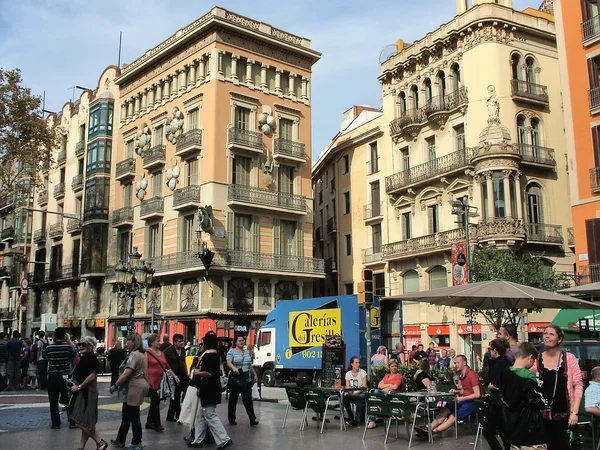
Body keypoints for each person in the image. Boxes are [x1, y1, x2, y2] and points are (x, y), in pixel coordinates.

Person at [532, 324, 583, 450]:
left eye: (551, 334)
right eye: (545, 333)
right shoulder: (536, 360)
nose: (547, 336)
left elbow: (578, 385)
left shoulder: (569, 359)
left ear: (559, 339)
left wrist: (574, 413)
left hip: (565, 416)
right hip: (543, 417)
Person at [187, 333, 233, 449]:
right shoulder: (215, 355)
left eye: (203, 343)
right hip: (212, 389)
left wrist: (196, 373)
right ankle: (198, 440)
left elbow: (208, 374)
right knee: (201, 415)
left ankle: (224, 439)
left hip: (208, 390)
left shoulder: (207, 356)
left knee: (210, 415)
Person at [418, 355, 482, 436]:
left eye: (458, 363)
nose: (456, 365)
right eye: (455, 363)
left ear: (464, 363)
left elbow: (477, 394)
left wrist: (462, 398)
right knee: (445, 409)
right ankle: (429, 428)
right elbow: (467, 390)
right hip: (465, 400)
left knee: (452, 416)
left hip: (474, 402)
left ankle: (433, 432)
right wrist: (456, 391)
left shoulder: (471, 375)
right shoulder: (462, 375)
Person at [500, 342, 546, 450]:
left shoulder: (505, 374)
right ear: (530, 357)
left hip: (511, 424)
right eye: (534, 360)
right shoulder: (528, 375)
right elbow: (536, 400)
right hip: (529, 427)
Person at [109, 333, 149, 450]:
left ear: (134, 342)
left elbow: (127, 372)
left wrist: (115, 385)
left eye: (129, 341)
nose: (126, 343)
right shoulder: (142, 354)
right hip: (137, 385)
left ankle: (137, 441)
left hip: (134, 387)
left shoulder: (135, 355)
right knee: (127, 415)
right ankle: (120, 439)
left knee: (133, 415)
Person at [67, 336, 107, 450]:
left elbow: (92, 376)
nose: (80, 346)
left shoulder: (91, 359)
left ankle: (100, 441)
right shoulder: (85, 357)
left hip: (87, 393)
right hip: (84, 392)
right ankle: (81, 447)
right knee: (86, 420)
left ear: (91, 346)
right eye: (79, 344)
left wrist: (79, 387)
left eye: (83, 344)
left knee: (78, 421)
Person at [146, 333, 179, 431]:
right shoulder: (147, 353)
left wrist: (174, 375)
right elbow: (144, 367)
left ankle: (149, 422)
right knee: (155, 401)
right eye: (157, 341)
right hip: (151, 382)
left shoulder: (162, 353)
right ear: (151, 343)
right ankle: (157, 424)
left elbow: (167, 366)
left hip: (161, 382)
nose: (159, 343)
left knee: (155, 402)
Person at [44, 327, 76, 428]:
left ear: (54, 335)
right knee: (67, 399)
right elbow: (73, 355)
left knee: (53, 401)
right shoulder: (68, 347)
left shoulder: (49, 348)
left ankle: (55, 423)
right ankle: (71, 420)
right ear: (64, 336)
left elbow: (45, 357)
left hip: (52, 376)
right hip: (65, 377)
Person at [483, 338, 512, 450]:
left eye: (490, 349)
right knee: (504, 433)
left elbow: (495, 383)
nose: (489, 352)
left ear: (495, 351)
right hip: (504, 402)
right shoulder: (508, 361)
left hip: (497, 402)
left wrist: (490, 386)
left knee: (488, 431)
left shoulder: (499, 363)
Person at [226, 334, 258, 426]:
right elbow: (229, 362)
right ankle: (232, 419)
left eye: (243, 340)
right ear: (235, 342)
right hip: (236, 376)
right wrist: (233, 368)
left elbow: (249, 365)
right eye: (240, 340)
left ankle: (252, 419)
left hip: (245, 377)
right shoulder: (231, 352)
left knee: (248, 400)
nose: (242, 342)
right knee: (233, 399)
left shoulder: (247, 352)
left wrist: (254, 374)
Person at [367, 358, 404, 429]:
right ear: (389, 367)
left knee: (375, 393)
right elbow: (379, 385)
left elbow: (395, 387)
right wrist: (389, 385)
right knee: (373, 394)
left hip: (392, 395)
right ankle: (373, 419)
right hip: (383, 393)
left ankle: (372, 420)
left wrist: (385, 386)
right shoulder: (387, 375)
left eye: (395, 366)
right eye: (392, 366)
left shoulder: (399, 376)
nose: (394, 368)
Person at [165, 333, 190, 422]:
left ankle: (177, 415)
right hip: (173, 375)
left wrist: (187, 373)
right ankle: (174, 415)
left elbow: (183, 362)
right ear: (174, 342)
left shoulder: (183, 350)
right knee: (175, 395)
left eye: (182, 341)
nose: (182, 343)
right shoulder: (168, 351)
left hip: (182, 374)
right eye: (179, 341)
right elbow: (166, 364)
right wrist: (172, 374)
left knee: (183, 393)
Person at [343, 356, 368, 427]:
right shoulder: (348, 374)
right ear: (352, 364)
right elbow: (348, 387)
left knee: (360, 397)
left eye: (359, 363)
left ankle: (357, 420)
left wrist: (356, 393)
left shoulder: (363, 372)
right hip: (352, 394)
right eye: (356, 363)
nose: (358, 364)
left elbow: (364, 386)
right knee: (345, 398)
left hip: (360, 393)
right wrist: (351, 393)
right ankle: (351, 417)